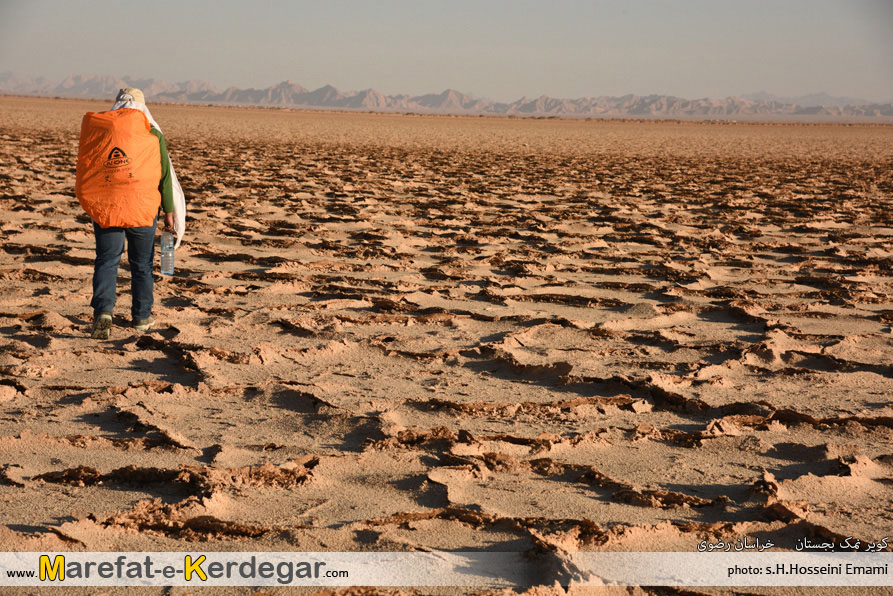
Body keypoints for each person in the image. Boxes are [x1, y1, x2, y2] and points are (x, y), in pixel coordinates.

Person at [75, 88, 183, 339]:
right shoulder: (152, 133)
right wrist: (169, 211)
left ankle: (103, 313)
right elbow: (164, 176)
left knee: (107, 260)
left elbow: (88, 164)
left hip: (107, 208)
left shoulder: (100, 130)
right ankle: (142, 318)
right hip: (142, 210)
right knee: (141, 264)